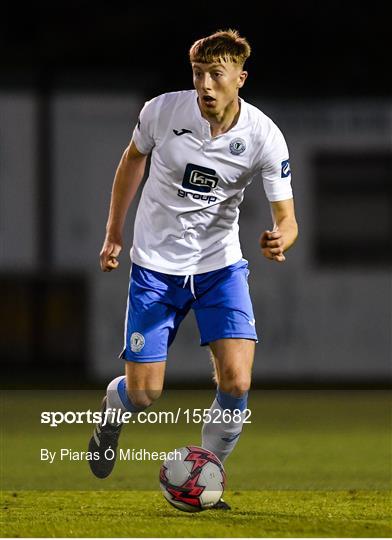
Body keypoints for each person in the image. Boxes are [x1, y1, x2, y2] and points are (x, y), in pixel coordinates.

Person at [88, 29, 298, 510]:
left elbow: (288, 220)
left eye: (216, 75)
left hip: (219, 267)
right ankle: (111, 413)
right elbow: (131, 161)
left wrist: (278, 239)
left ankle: (204, 477)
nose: (204, 85)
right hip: (156, 268)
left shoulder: (264, 136)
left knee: (238, 381)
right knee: (144, 394)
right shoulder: (162, 111)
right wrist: (114, 232)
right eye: (198, 74)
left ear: (239, 79)